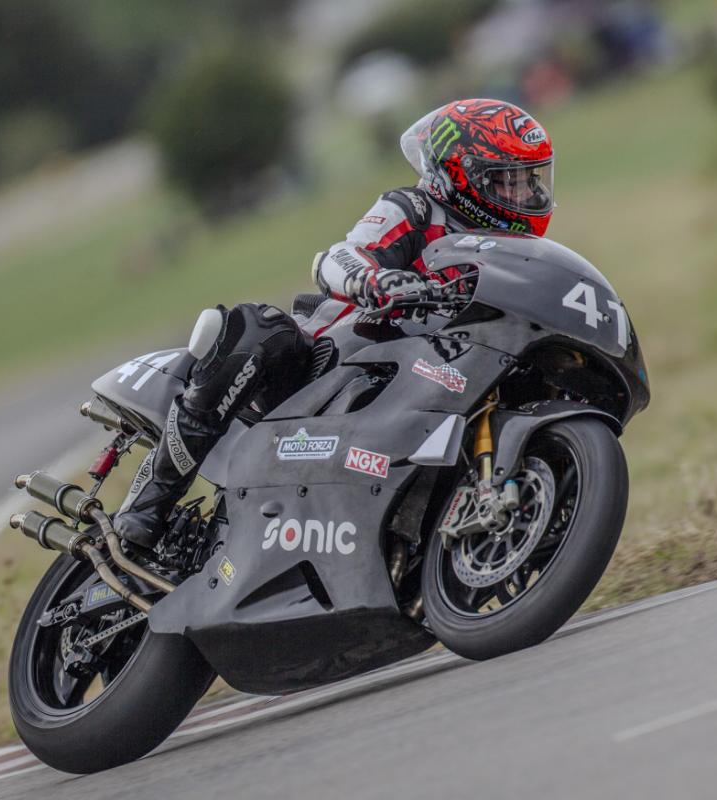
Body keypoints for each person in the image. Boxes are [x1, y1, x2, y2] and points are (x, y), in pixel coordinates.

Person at [114, 98, 555, 548]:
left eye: (531, 180)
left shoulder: (510, 254)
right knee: (260, 328)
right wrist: (374, 279)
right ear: (461, 175)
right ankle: (149, 503)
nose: (528, 195)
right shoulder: (416, 209)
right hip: (329, 368)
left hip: (427, 388)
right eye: (511, 181)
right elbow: (340, 257)